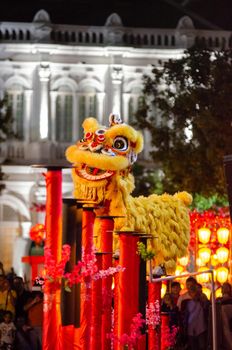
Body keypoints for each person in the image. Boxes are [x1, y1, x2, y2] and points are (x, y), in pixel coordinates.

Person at [181, 284, 209, 350]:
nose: (195, 294)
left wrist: (203, 299)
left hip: (201, 329)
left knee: (202, 347)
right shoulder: (187, 303)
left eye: (196, 292)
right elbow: (186, 317)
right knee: (193, 347)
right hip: (191, 329)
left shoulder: (203, 302)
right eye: (192, 292)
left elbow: (207, 308)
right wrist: (184, 328)